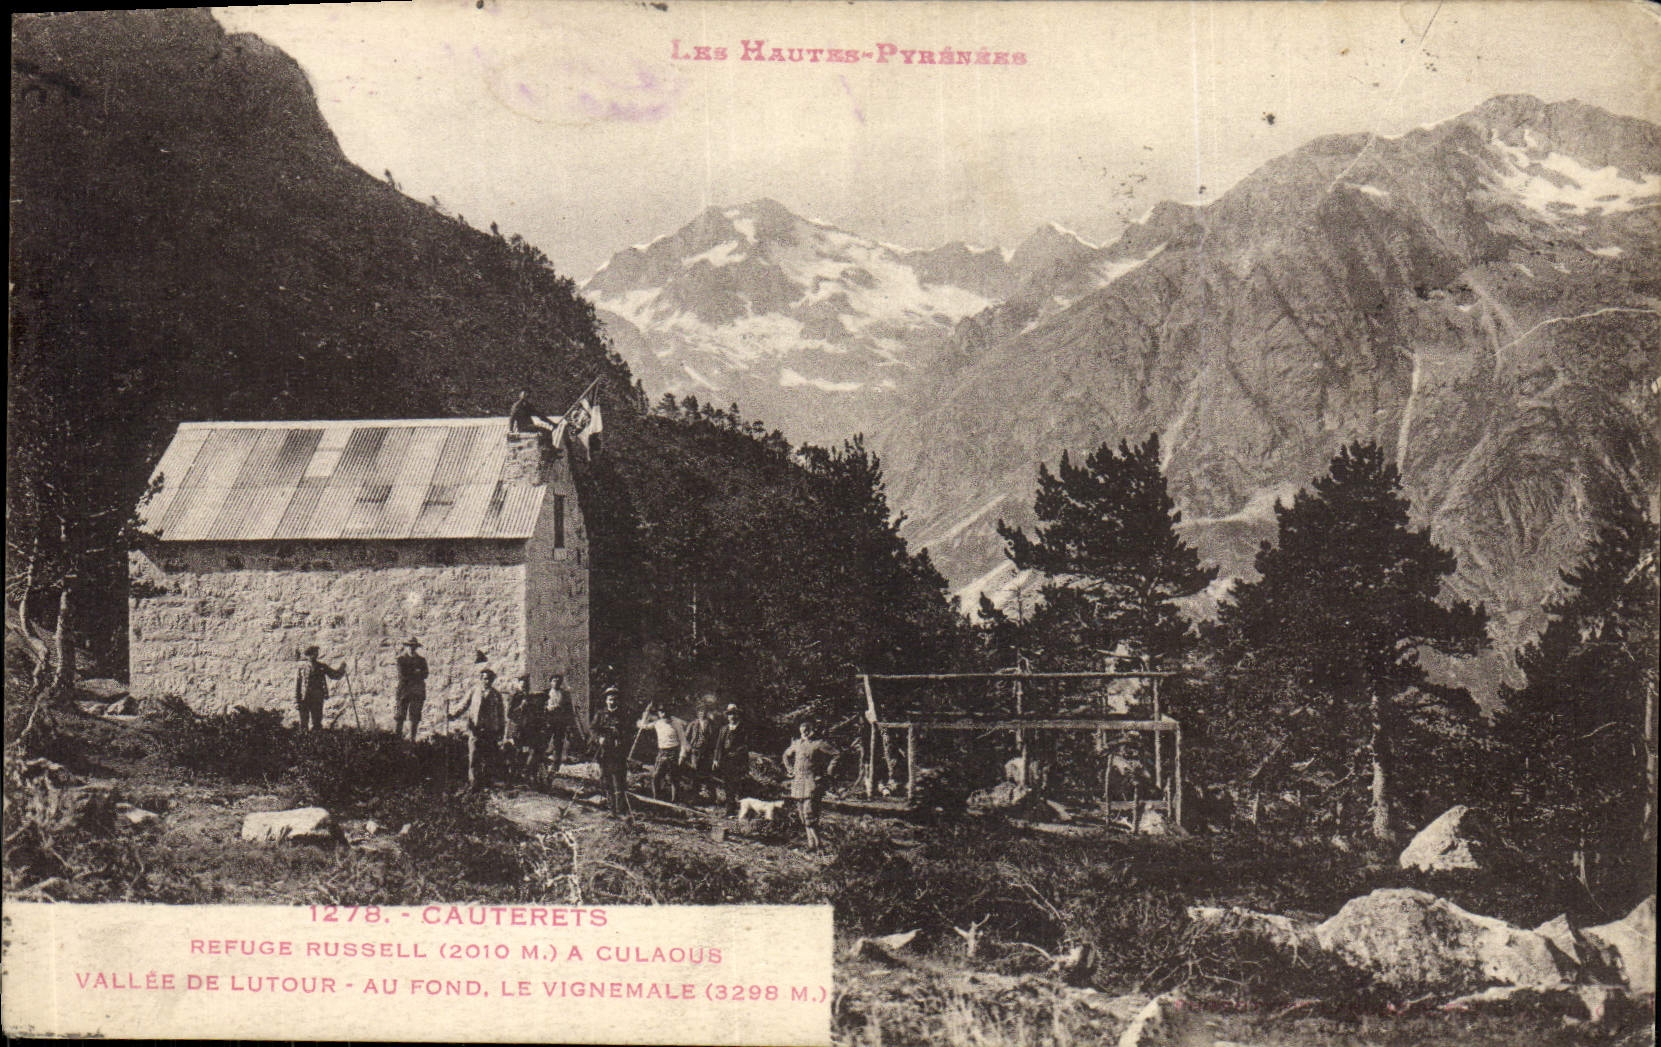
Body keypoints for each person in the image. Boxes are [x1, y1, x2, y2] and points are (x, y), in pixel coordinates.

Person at [782, 720, 839, 851]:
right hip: (798, 781)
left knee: (810, 814)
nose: (805, 734)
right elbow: (786, 755)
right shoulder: (797, 744)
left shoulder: (818, 744)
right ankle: (811, 845)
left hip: (812, 781)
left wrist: (829, 771)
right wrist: (789, 769)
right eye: (802, 732)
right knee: (802, 815)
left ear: (812, 730)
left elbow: (836, 754)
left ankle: (820, 846)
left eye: (807, 731)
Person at [450, 666, 506, 792]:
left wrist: (501, 730)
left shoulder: (496, 695)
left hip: (490, 730)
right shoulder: (474, 691)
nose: (487, 681)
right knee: (474, 755)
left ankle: (486, 782)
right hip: (475, 728)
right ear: (481, 679)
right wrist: (453, 714)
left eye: (489, 679)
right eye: (485, 679)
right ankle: (473, 783)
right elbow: (463, 705)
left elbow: (501, 714)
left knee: (488, 756)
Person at [589, 686, 631, 817]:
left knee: (619, 779)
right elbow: (593, 729)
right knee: (606, 779)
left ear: (618, 701)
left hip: (618, 752)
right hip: (604, 751)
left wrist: (621, 738)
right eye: (609, 699)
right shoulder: (600, 714)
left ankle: (620, 809)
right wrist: (598, 738)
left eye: (614, 699)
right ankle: (611, 808)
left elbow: (629, 732)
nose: (612, 702)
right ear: (606, 701)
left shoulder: (623, 714)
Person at [639, 705, 684, 804]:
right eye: (661, 712)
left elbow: (683, 741)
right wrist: (645, 714)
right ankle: (657, 799)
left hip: (673, 752)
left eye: (665, 712)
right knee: (656, 776)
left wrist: (681, 755)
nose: (663, 714)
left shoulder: (676, 724)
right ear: (659, 713)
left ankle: (675, 801)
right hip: (662, 752)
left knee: (673, 777)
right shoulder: (657, 723)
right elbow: (643, 726)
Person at [294, 645, 344, 731]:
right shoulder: (302, 669)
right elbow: (297, 686)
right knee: (303, 723)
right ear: (308, 655)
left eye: (316, 653)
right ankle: (303, 742)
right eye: (311, 654)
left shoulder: (322, 667)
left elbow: (334, 675)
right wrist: (296, 701)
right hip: (304, 699)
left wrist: (342, 668)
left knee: (317, 722)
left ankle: (316, 741)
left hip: (317, 698)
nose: (314, 656)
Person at [505, 674, 544, 783]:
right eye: (522, 685)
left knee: (531, 750)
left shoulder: (530, 697)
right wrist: (521, 707)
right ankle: (513, 776)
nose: (524, 688)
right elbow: (509, 714)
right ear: (518, 685)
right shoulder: (515, 696)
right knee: (517, 751)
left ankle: (525, 773)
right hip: (517, 728)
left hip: (528, 728)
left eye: (526, 685)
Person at [713, 703, 750, 807]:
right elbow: (719, 745)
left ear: (737, 715)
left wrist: (739, 755)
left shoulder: (743, 729)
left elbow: (746, 745)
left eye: (734, 714)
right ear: (727, 716)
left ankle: (742, 808)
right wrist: (716, 759)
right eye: (729, 714)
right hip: (726, 760)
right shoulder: (724, 729)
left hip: (738, 760)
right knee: (727, 784)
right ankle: (730, 808)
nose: (732, 717)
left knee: (737, 784)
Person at [681, 702, 719, 804]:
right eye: (700, 711)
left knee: (707, 774)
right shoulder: (693, 724)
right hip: (695, 752)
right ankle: (695, 797)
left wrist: (713, 751)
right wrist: (688, 748)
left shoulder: (711, 723)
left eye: (704, 711)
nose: (702, 713)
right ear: (697, 713)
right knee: (695, 772)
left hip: (706, 752)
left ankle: (711, 797)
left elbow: (715, 738)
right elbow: (685, 738)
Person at [393, 637, 428, 741]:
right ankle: (397, 739)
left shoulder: (422, 660)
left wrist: (413, 672)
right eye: (409, 646)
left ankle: (412, 739)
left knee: (415, 716)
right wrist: (416, 672)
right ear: (406, 647)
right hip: (404, 691)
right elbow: (403, 675)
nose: (411, 648)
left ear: (416, 647)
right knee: (400, 716)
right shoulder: (401, 660)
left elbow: (425, 674)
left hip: (417, 692)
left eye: (414, 646)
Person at [543, 673, 575, 773]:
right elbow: (540, 707)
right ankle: (543, 764)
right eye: (554, 681)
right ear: (550, 682)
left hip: (560, 722)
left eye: (558, 681)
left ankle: (555, 767)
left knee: (558, 744)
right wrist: (547, 709)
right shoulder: (545, 693)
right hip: (548, 722)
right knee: (544, 742)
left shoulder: (565, 694)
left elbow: (569, 710)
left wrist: (569, 723)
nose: (556, 683)